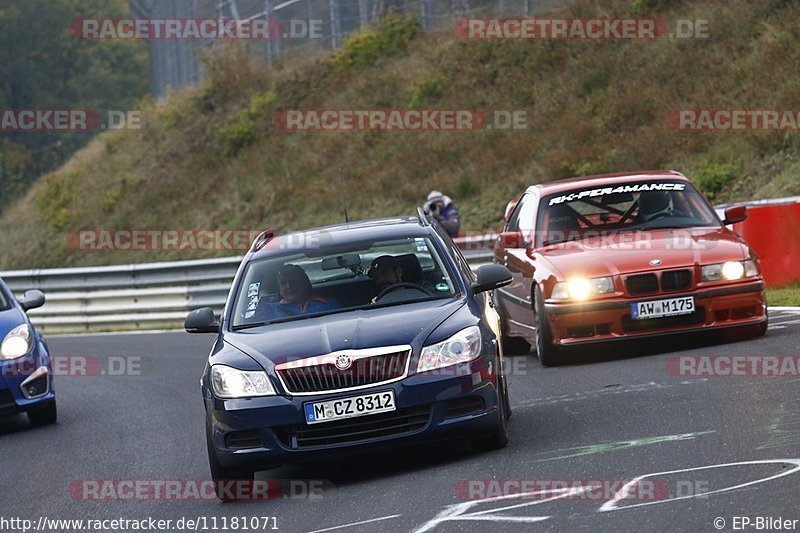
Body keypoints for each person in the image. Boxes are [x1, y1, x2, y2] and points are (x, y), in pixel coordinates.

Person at [254, 264, 339, 320]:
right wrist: (257, 273)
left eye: (294, 281)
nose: (289, 286)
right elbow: (246, 301)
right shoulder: (270, 309)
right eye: (283, 283)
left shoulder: (329, 305)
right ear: (279, 289)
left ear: (305, 282)